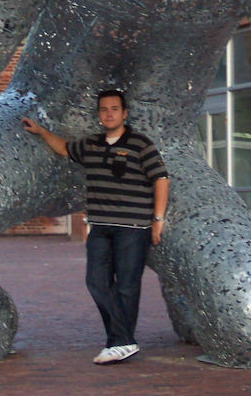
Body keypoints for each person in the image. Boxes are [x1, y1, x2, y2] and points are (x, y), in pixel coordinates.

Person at [22, 90, 169, 364]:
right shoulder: (91, 145)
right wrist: (41, 132)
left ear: (124, 113)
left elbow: (160, 178)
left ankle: (119, 342)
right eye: (103, 109)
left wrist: (157, 219)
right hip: (100, 227)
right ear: (99, 115)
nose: (109, 113)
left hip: (132, 227)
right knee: (97, 282)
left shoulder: (141, 144)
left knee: (126, 286)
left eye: (114, 109)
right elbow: (65, 148)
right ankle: (123, 340)